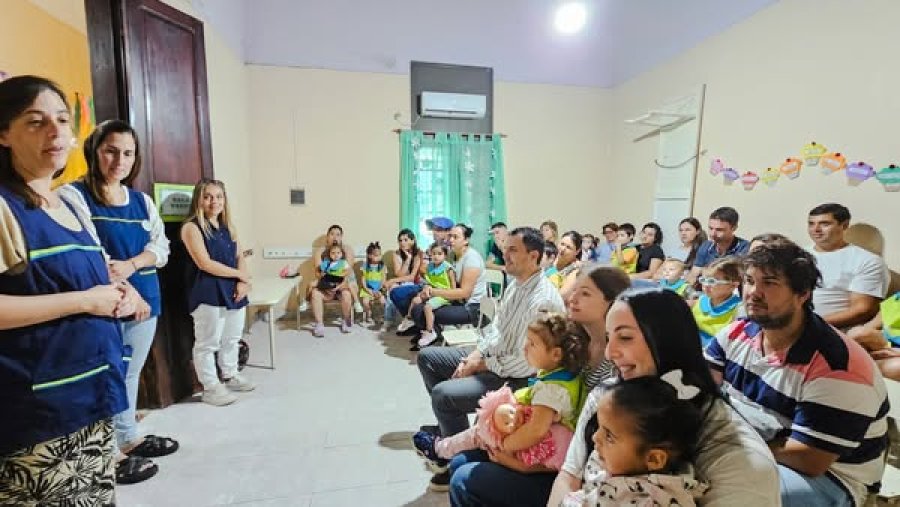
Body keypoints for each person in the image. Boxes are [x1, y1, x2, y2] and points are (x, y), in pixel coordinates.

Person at [0, 75, 141, 504]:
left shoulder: (70, 203)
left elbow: (94, 275)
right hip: (39, 415)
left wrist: (122, 291)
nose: (56, 131)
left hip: (92, 400)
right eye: (35, 121)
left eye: (62, 119)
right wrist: (85, 301)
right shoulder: (4, 207)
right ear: (3, 134)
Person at [540, 288, 781, 507]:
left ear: (668, 339)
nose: (609, 352)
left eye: (625, 337)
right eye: (608, 337)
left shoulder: (734, 453)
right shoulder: (607, 397)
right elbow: (569, 476)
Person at [706, 241, 887, 506]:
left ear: (802, 294)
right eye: (748, 281)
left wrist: (725, 447)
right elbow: (700, 388)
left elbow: (809, 458)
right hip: (751, 444)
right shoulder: (737, 332)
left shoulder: (837, 365)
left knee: (729, 496)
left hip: (832, 477)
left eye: (769, 283)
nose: (753, 293)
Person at [446, 266, 632, 505]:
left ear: (612, 302)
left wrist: (526, 465)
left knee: (464, 479)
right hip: (543, 439)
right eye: (574, 290)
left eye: (584, 293)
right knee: (459, 461)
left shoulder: (616, 361)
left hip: (564, 462)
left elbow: (589, 444)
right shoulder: (573, 343)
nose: (571, 297)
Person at [60, 119, 178, 484]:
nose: (119, 160)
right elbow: (91, 252)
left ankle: (128, 438)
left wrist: (134, 263)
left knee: (129, 374)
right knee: (105, 376)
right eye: (110, 150)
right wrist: (129, 284)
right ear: (94, 151)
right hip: (106, 303)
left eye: (128, 153)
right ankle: (106, 454)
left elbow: (161, 247)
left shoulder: (140, 201)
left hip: (146, 303)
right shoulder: (73, 196)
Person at [416, 226, 564, 491]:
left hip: (519, 378)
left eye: (512, 250)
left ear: (534, 256)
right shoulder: (516, 285)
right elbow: (496, 330)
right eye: (504, 249)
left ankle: (453, 457)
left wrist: (480, 364)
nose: (504, 255)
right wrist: (475, 354)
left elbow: (526, 362)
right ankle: (455, 434)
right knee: (428, 357)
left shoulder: (543, 300)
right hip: (495, 357)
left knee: (443, 394)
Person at [413, 313, 589, 473]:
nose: (525, 347)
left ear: (556, 354)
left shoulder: (552, 391)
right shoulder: (559, 374)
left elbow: (536, 431)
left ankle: (440, 449)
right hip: (534, 433)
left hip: (537, 446)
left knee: (480, 433)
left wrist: (504, 445)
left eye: (532, 344)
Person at [561, 374, 708, 507]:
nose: (595, 438)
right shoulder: (609, 462)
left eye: (609, 436)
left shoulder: (654, 501)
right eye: (599, 427)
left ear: (654, 459)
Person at [181, 178, 255, 406]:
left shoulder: (227, 227)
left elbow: (239, 256)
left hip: (233, 291)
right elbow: (205, 263)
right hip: (208, 291)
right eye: (208, 197)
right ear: (199, 200)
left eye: (219, 197)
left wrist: (243, 281)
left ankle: (230, 374)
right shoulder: (191, 228)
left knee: (231, 338)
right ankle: (211, 387)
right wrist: (240, 276)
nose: (214, 202)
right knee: (207, 342)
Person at [807, 203, 889, 330]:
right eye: (811, 223)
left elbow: (862, 310)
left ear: (844, 225)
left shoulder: (867, 261)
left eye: (825, 224)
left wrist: (808, 326)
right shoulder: (796, 255)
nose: (816, 229)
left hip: (832, 334)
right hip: (784, 328)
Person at [408, 224, 487, 340]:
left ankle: (434, 333)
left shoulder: (471, 259)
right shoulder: (454, 255)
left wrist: (433, 292)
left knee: (422, 310)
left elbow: (464, 293)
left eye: (455, 237)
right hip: (458, 300)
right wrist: (428, 287)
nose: (451, 240)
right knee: (417, 304)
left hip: (472, 307)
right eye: (450, 236)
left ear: (466, 240)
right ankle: (431, 332)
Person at [405, 243, 457, 349]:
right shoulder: (430, 267)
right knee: (415, 300)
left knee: (427, 306)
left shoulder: (448, 269)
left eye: (439, 254)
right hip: (432, 292)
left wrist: (444, 293)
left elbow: (453, 288)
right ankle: (409, 320)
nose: (436, 256)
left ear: (445, 255)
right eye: (433, 254)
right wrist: (426, 289)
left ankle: (430, 331)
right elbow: (428, 282)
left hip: (444, 295)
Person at [687, 207, 750, 284]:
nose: (713, 234)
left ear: (734, 228)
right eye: (710, 228)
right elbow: (693, 275)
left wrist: (705, 271)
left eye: (719, 230)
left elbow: (736, 277)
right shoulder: (706, 246)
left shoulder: (744, 248)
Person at [848, 290, 900, 380]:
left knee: (896, 367)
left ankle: (864, 363)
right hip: (886, 343)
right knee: (857, 333)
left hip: (895, 352)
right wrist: (884, 347)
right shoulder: (897, 299)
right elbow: (871, 326)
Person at [691, 257, 743, 348]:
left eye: (712, 281)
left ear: (733, 285)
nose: (706, 285)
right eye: (704, 280)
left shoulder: (738, 308)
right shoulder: (700, 300)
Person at [308, 243, 353, 336]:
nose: (336, 255)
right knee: (314, 290)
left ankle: (346, 320)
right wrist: (323, 274)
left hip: (339, 287)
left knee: (347, 294)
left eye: (338, 253)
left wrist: (340, 285)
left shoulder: (343, 263)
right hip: (327, 286)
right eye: (333, 253)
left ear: (341, 254)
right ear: (329, 255)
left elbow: (346, 275)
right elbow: (320, 273)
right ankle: (319, 324)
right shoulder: (327, 263)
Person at [383, 228, 423, 329]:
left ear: (412, 241)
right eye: (400, 240)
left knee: (394, 286)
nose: (402, 243)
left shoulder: (419, 253)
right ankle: (388, 320)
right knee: (391, 289)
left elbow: (412, 277)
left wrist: (392, 280)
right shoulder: (396, 254)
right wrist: (407, 260)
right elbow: (399, 274)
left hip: (415, 283)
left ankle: (407, 319)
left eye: (405, 240)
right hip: (402, 280)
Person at [358, 241, 386, 325]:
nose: (379, 257)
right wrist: (367, 289)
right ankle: (368, 314)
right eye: (377, 255)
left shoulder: (382, 266)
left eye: (380, 255)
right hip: (368, 289)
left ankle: (381, 316)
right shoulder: (365, 266)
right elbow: (363, 279)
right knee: (365, 302)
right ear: (370, 256)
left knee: (383, 301)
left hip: (378, 289)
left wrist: (379, 290)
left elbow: (383, 279)